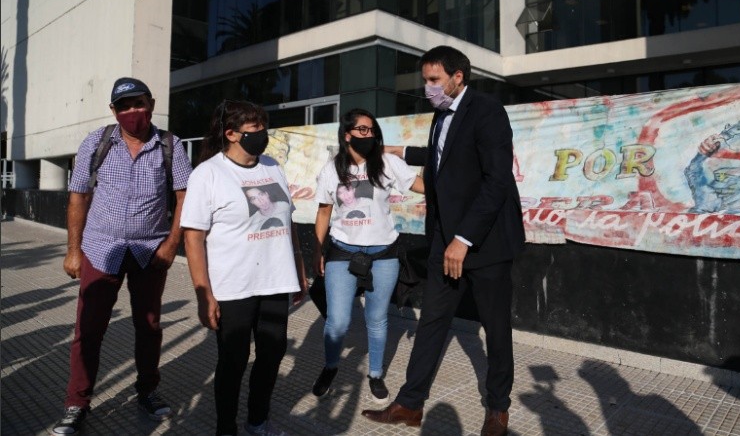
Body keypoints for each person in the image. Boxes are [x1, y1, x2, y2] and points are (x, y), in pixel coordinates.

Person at [361, 46, 525, 436]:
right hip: (443, 241)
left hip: (484, 245)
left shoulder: (487, 111)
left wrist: (464, 239)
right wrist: (396, 150)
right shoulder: (441, 115)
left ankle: (498, 409)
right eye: (425, 80)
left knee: (496, 328)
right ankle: (409, 404)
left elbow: (497, 181)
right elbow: (440, 158)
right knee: (433, 321)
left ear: (457, 77)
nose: (428, 87)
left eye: (434, 80)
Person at [53, 77, 193, 435]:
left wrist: (170, 245)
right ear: (114, 111)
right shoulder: (96, 143)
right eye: (125, 106)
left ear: (151, 102)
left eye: (140, 103)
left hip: (150, 251)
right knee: (88, 329)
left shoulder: (170, 145)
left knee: (148, 327)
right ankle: (77, 403)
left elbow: (184, 197)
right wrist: (73, 251)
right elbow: (78, 196)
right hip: (101, 249)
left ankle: (147, 391)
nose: (134, 112)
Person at [180, 100, 307, 436]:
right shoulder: (207, 174)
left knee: (272, 354)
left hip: (276, 280)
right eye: (254, 129)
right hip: (233, 285)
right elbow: (193, 239)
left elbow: (287, 220)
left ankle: (257, 420)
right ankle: (226, 427)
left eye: (263, 127)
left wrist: (299, 266)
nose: (262, 134)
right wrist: (203, 293)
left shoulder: (273, 166)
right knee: (233, 362)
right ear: (231, 133)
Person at [312, 108, 424, 404]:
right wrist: (317, 250)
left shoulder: (388, 163)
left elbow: (419, 186)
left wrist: (452, 182)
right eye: (362, 130)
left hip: (384, 252)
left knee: (376, 318)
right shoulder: (331, 169)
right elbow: (324, 212)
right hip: (342, 251)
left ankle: (375, 374)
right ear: (347, 134)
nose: (369, 135)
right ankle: (331, 366)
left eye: (372, 130)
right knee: (337, 321)